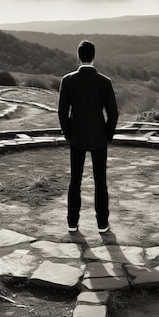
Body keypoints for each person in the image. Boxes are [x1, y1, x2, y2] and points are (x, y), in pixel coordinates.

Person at [58, 40, 119, 233]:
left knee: (75, 181)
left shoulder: (68, 80)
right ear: (93, 56)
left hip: (76, 137)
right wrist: (107, 135)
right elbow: (113, 113)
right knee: (100, 181)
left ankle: (72, 222)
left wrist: (69, 134)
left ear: (79, 56)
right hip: (99, 138)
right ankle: (102, 223)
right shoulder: (105, 82)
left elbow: (62, 112)